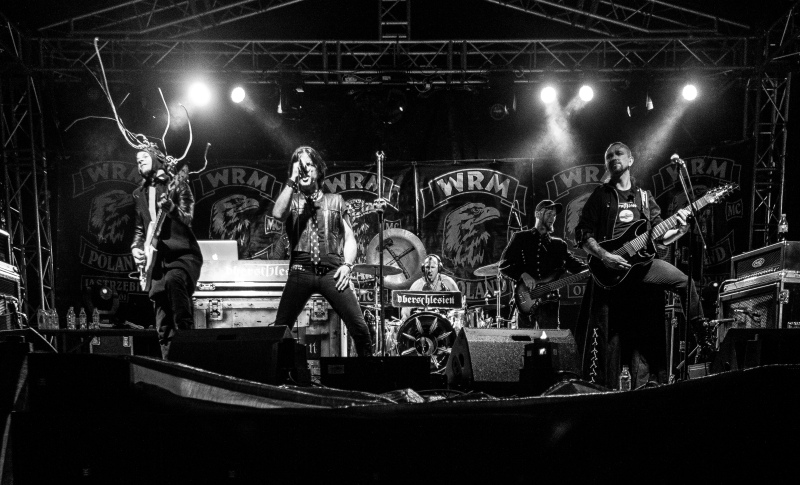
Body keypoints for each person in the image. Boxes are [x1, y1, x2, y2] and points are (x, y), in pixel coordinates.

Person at [574, 141, 703, 388]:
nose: (614, 157)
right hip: (611, 272)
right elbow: (583, 233)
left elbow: (660, 236)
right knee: (613, 343)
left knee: (684, 282)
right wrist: (605, 256)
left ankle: (702, 334)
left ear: (631, 160)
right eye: (609, 156)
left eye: (619, 153)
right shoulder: (601, 196)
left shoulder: (644, 197)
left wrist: (680, 230)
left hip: (642, 266)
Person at [271, 146, 373, 357]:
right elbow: (278, 214)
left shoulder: (335, 200)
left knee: (360, 328)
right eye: (300, 166)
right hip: (301, 270)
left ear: (318, 170)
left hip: (332, 271)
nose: (304, 170)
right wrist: (292, 179)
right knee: (280, 329)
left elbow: (350, 238)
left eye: (309, 165)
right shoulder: (292, 200)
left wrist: (347, 265)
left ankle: (368, 373)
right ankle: (280, 374)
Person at [131, 147, 203, 359]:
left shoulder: (177, 184)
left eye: (144, 157)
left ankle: (189, 359)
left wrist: (171, 208)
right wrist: (136, 248)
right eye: (137, 160)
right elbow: (140, 228)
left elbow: (188, 218)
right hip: (156, 262)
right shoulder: (139, 193)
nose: (140, 162)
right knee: (162, 324)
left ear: (156, 159)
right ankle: (169, 366)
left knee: (174, 284)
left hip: (182, 255)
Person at [499, 199, 587, 329]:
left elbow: (576, 266)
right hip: (525, 300)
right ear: (538, 214)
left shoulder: (559, 245)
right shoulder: (521, 238)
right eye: (549, 214)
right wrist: (523, 274)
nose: (552, 218)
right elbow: (503, 265)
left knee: (550, 339)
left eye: (554, 215)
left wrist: (596, 266)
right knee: (525, 339)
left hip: (550, 304)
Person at [400, 254, 461, 320]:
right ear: (423, 268)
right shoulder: (417, 285)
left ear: (439, 268)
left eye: (433, 267)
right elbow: (406, 307)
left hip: (444, 322)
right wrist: (405, 316)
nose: (430, 270)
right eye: (427, 267)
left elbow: (459, 305)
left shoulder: (448, 282)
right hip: (423, 322)